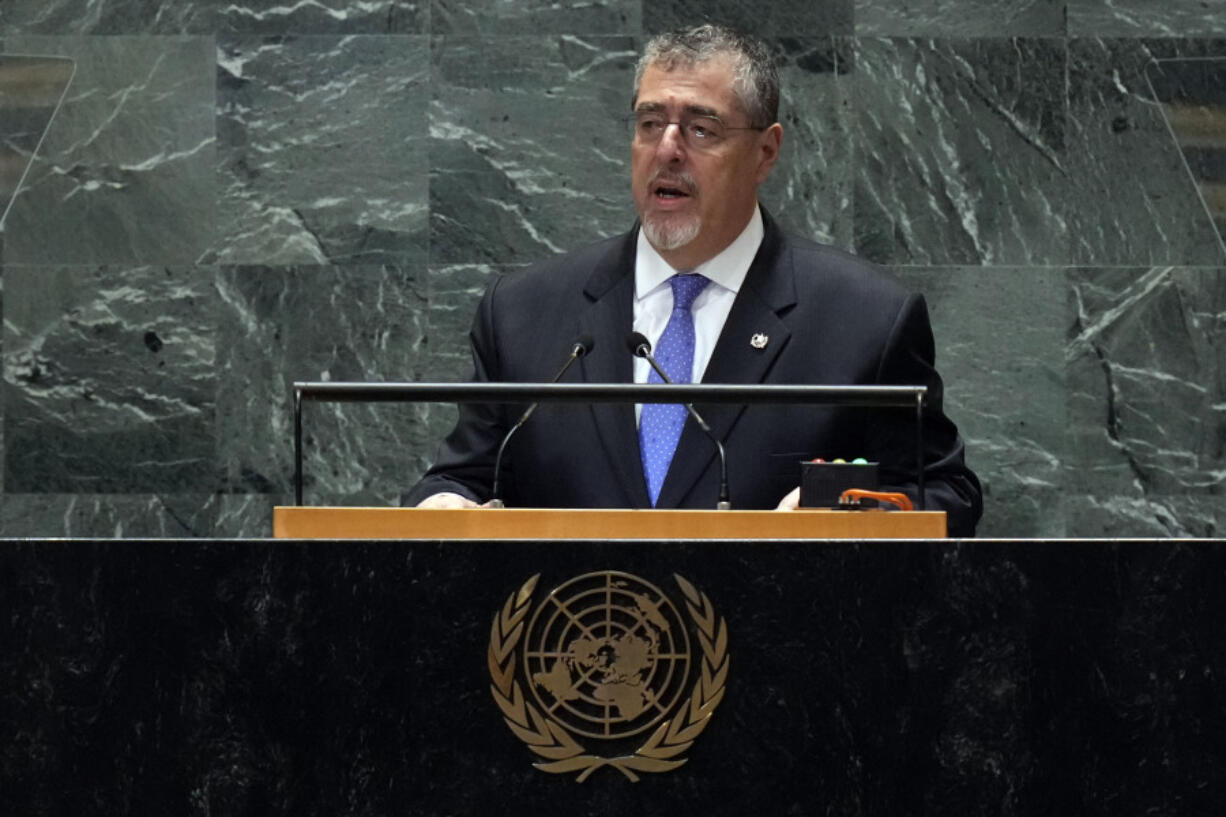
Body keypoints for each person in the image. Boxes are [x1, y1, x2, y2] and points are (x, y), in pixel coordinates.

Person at [403, 24, 983, 536]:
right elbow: (461, 479)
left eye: (701, 129)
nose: (668, 150)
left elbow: (945, 496)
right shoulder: (524, 313)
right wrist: (445, 504)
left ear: (766, 152)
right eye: (650, 123)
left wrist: (851, 516)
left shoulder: (866, 320)